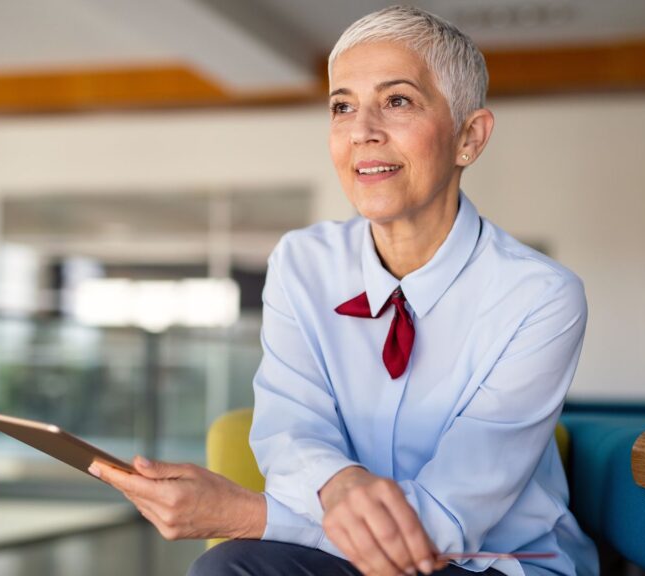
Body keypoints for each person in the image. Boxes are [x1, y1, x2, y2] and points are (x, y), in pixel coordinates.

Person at [89, 5, 598, 576]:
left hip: (492, 563)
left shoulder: (540, 296)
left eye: (398, 101)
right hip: (343, 554)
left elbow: (446, 523)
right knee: (228, 571)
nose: (362, 131)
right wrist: (338, 481)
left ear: (469, 138)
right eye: (342, 106)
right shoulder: (301, 263)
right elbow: (291, 431)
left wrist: (250, 515)